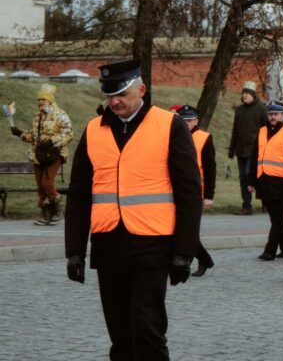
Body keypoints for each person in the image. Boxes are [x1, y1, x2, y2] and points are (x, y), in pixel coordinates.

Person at [64, 59, 202, 360]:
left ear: (141, 89)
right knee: (120, 335)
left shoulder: (169, 125)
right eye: (109, 95)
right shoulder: (93, 130)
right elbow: (78, 195)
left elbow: (189, 193)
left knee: (147, 328)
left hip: (152, 245)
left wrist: (184, 252)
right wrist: (74, 250)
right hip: (108, 245)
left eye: (121, 94)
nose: (114, 102)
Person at [11, 83, 73, 225]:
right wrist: (20, 133)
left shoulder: (61, 115)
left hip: (54, 154)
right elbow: (33, 136)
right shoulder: (37, 117)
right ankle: (46, 215)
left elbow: (69, 134)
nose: (40, 102)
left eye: (43, 100)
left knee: (47, 183)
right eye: (38, 100)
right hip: (38, 155)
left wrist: (52, 142)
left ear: (50, 100)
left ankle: (57, 209)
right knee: (41, 187)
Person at [248, 102, 283, 261]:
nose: (273, 117)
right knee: (276, 217)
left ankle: (269, 251)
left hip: (282, 182)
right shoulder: (262, 131)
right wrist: (251, 180)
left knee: (277, 217)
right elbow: (254, 157)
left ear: (282, 115)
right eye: (270, 114)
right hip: (264, 180)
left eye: (276, 114)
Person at [177, 105, 216, 277]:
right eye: (182, 120)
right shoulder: (174, 136)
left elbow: (210, 169)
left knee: (189, 229)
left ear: (196, 121)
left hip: (195, 193)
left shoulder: (204, 138)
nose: (185, 124)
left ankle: (198, 259)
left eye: (188, 121)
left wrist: (208, 195)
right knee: (179, 228)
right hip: (175, 190)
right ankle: (199, 259)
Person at [229, 81, 268, 215]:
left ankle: (265, 202)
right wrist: (231, 149)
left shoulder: (261, 109)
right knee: (243, 178)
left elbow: (266, 129)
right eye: (243, 93)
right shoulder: (239, 110)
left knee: (252, 175)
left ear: (252, 95)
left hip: (255, 150)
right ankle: (247, 206)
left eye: (246, 93)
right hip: (240, 150)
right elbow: (235, 130)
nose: (244, 95)